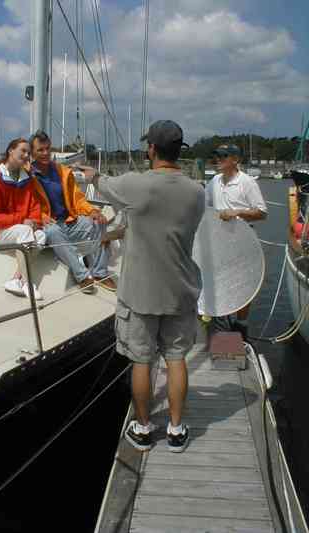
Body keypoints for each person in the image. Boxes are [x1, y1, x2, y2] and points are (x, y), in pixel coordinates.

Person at [92, 120, 205, 452]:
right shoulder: (197, 192)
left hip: (140, 293)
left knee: (142, 361)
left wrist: (90, 174)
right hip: (180, 291)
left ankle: (142, 429)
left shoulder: (136, 185)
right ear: (179, 150)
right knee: (176, 359)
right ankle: (176, 428)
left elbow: (101, 183)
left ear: (151, 149)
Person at [29, 130, 116, 294]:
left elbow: (77, 198)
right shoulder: (28, 175)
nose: (45, 153)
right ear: (32, 152)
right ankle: (82, 276)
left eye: (48, 148)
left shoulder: (62, 172)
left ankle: (99, 273)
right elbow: (24, 205)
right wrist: (41, 216)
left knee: (100, 222)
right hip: (46, 225)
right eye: (40, 150)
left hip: (69, 221)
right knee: (53, 231)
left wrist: (92, 211)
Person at [206, 144, 267, 338]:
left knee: (243, 284)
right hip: (219, 242)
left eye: (223, 156)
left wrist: (238, 212)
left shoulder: (246, 182)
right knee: (219, 281)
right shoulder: (214, 181)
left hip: (242, 241)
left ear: (235, 160)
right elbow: (204, 206)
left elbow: (262, 212)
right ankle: (221, 326)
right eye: (217, 156)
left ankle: (240, 326)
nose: (218, 160)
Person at [0, 138, 45, 300]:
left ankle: (16, 279)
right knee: (24, 231)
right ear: (10, 151)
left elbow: (35, 205)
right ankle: (28, 283)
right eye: (22, 151)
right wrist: (22, 220)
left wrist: (35, 221)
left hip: (17, 231)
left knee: (42, 235)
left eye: (28, 153)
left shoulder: (26, 179)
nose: (26, 155)